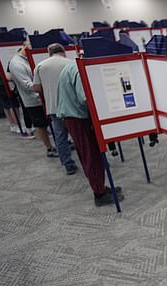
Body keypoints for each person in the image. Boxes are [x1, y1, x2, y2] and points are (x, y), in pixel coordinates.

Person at [56, 61, 125, 206]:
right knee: (90, 155)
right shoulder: (79, 70)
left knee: (91, 154)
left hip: (74, 116)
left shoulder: (72, 66)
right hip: (79, 118)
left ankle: (100, 187)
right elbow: (85, 99)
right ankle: (99, 194)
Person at [32, 43, 77, 175]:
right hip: (72, 106)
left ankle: (68, 164)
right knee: (78, 135)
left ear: (49, 53)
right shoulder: (71, 63)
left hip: (53, 107)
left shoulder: (41, 65)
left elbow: (36, 88)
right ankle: (86, 161)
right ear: (63, 51)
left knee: (60, 136)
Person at [8, 41, 58, 157]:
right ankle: (49, 148)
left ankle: (61, 143)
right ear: (25, 47)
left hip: (46, 96)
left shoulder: (31, 58)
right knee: (41, 125)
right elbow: (26, 85)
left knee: (54, 121)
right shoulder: (16, 63)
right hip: (33, 100)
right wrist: (46, 87)